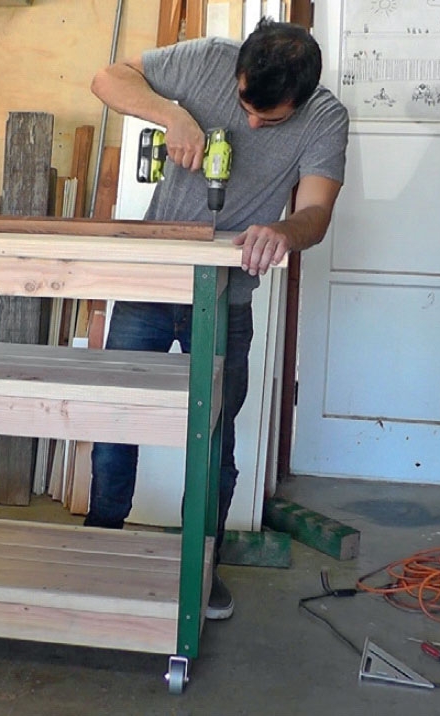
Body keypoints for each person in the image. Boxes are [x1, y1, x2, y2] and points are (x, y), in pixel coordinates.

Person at [84, 18, 349, 620]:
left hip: (226, 298)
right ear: (239, 71)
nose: (250, 125)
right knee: (118, 418)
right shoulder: (207, 59)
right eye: (245, 106)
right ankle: (100, 545)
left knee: (215, 436)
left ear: (302, 98)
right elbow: (107, 78)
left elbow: (315, 212)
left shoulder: (326, 118)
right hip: (151, 285)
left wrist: (282, 231)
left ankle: (201, 565)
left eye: (270, 121)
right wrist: (172, 114)